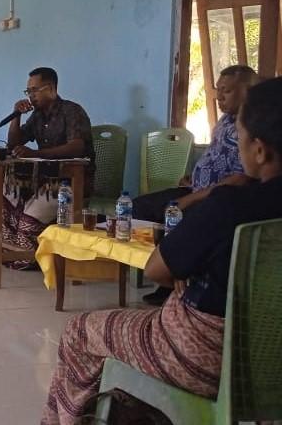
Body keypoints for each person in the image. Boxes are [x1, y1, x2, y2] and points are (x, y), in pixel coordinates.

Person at [41, 76, 282, 425]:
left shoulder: (229, 206)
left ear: (260, 150)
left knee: (79, 332)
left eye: (241, 136)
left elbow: (156, 269)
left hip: (206, 358)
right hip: (273, 360)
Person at [135, 64, 256, 306]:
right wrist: (195, 175)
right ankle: (168, 277)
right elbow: (216, 155)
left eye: (227, 91)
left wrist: (190, 199)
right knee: (139, 207)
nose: (219, 97)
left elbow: (239, 179)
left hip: (218, 199)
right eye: (218, 90)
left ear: (247, 91)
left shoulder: (252, 126)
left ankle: (178, 279)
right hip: (196, 188)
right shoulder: (225, 121)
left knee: (177, 213)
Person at [0, 67, 95, 270]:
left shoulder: (72, 111)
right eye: (28, 91)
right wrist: (17, 115)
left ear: (51, 89)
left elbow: (77, 146)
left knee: (29, 218)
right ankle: (4, 252)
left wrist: (37, 153)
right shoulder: (38, 115)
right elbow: (14, 143)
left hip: (69, 184)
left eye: (35, 90)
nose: (31, 96)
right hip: (41, 181)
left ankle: (28, 258)